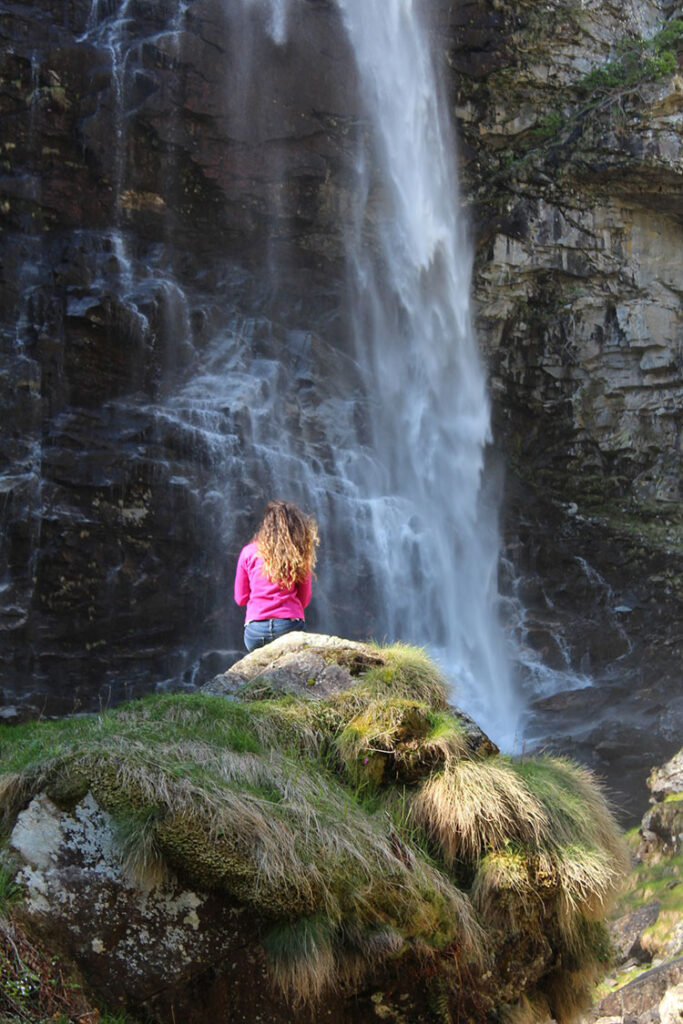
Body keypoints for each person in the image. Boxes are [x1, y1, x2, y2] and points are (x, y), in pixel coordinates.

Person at [234, 500, 319, 652]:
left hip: (255, 632)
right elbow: (304, 600)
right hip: (289, 627)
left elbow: (240, 599)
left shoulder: (248, 552)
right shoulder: (297, 554)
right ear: (296, 528)